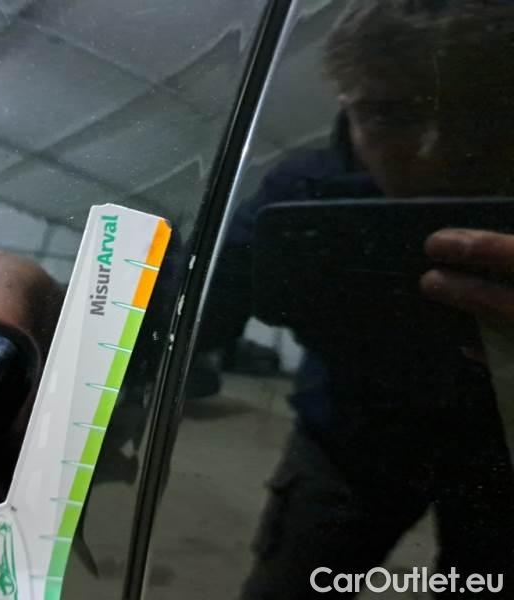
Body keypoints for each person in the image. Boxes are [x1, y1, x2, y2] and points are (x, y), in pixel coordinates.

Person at [196, 1, 514, 598]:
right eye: (390, 113)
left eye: (481, 112)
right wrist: (70, 323)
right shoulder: (299, 194)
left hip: (495, 458)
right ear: (348, 105)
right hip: (348, 444)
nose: (434, 150)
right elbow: (200, 314)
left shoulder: (302, 196)